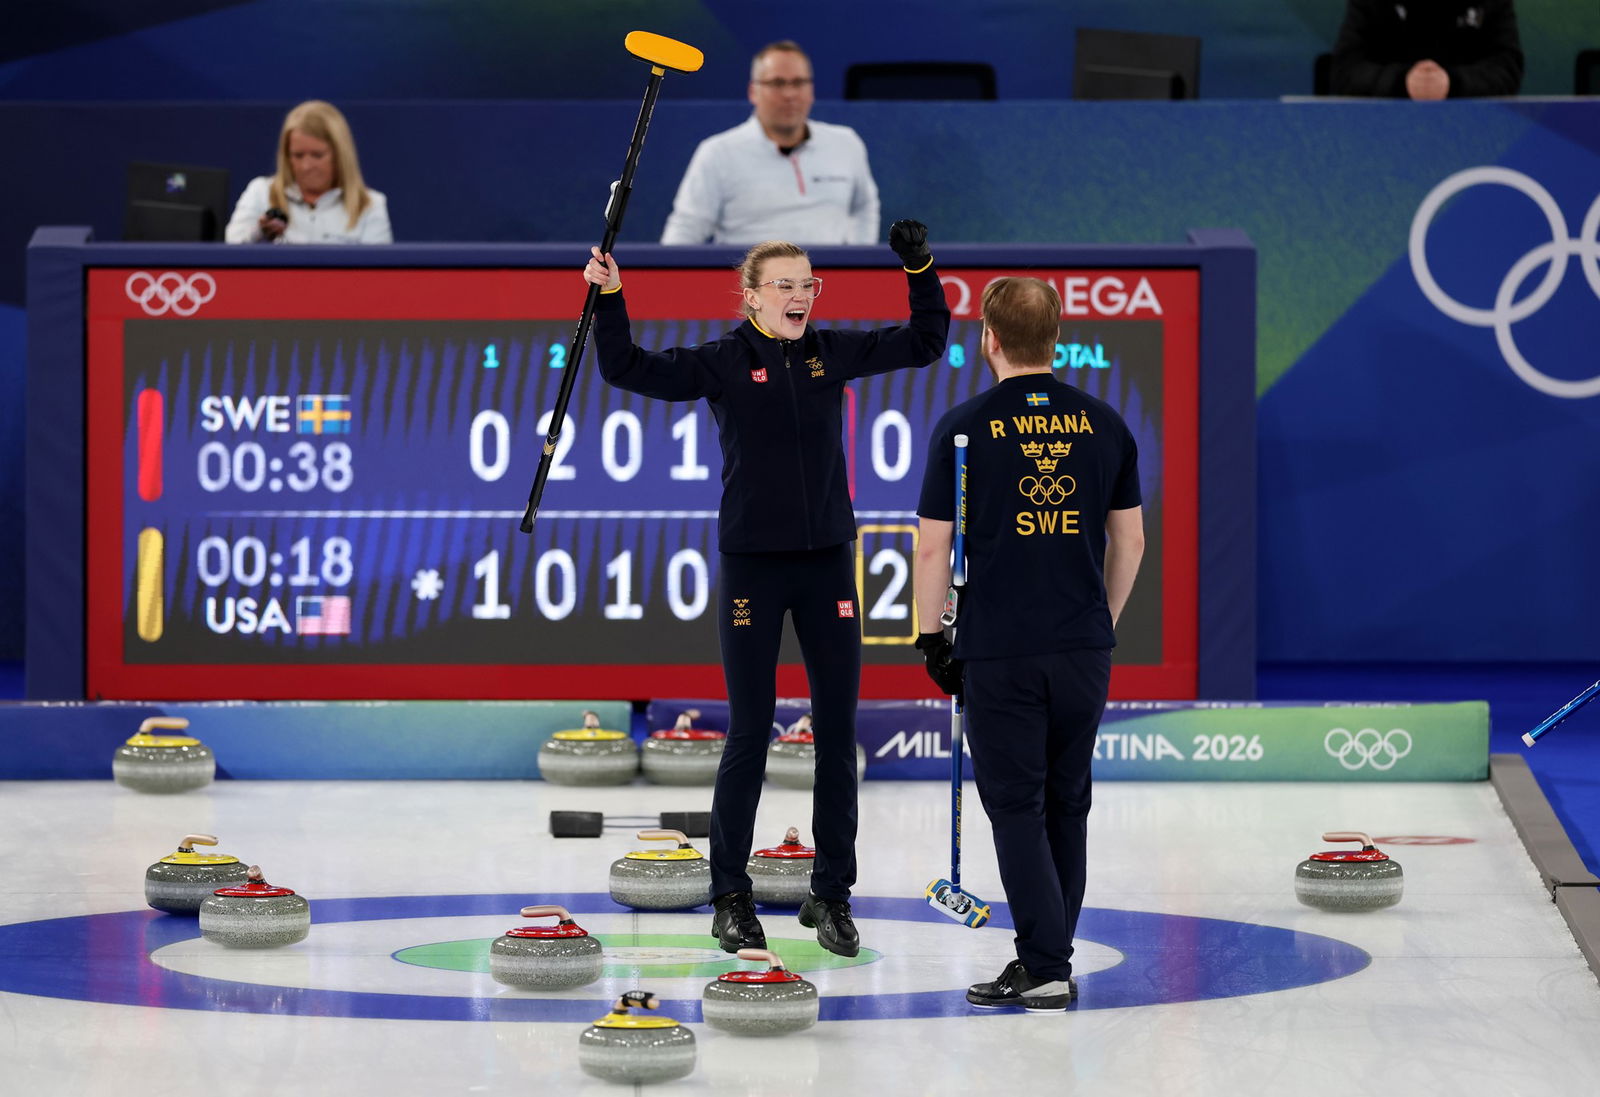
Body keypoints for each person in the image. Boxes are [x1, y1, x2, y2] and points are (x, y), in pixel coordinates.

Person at [583, 221, 949, 956]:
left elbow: (925, 340)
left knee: (835, 735)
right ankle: (731, 896)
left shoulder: (830, 352)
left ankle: (833, 894)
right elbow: (624, 367)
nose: (799, 295)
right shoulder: (724, 359)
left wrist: (920, 267)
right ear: (750, 296)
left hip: (826, 567)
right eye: (783, 284)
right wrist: (611, 296)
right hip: (754, 564)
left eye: (806, 283)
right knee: (749, 731)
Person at [911, 276, 1144, 1012]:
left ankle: (1044, 962)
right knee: (1066, 803)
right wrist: (1100, 620)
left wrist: (930, 637)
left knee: (1016, 806)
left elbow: (930, 551)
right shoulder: (1106, 424)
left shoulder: (962, 426)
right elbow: (1130, 539)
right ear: (1055, 336)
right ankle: (1050, 953)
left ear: (989, 338)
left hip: (1001, 648)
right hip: (1082, 646)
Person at [660, 41, 879, 245]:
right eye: (777, 83)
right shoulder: (718, 152)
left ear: (811, 90)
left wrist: (859, 262)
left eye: (799, 82)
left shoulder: (846, 143)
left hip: (831, 283)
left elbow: (865, 206)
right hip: (750, 284)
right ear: (753, 91)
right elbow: (685, 229)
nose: (789, 94)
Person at [225, 100, 392, 244]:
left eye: (317, 155)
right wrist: (260, 235)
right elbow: (230, 257)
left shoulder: (370, 205)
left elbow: (377, 275)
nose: (306, 166)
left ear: (340, 155)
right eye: (298, 155)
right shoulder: (261, 193)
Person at [1330, 0, 1523, 99]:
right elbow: (1345, 71)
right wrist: (1402, 81)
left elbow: (1507, 67)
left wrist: (1453, 82)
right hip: (1384, 128)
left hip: (1473, 128)